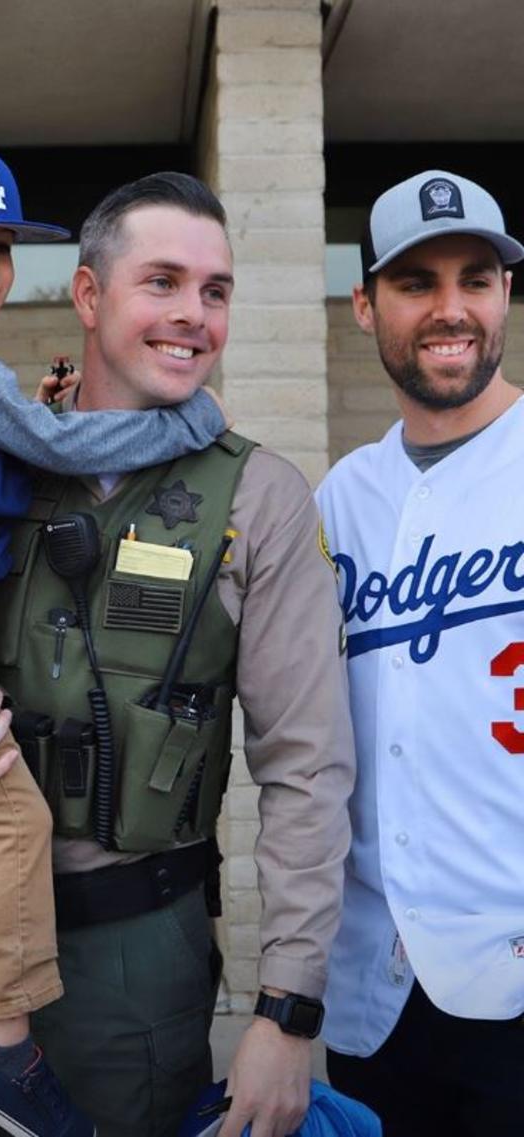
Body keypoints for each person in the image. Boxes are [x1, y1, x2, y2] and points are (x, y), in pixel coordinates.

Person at [0, 170, 355, 1137]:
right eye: (163, 282)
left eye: (216, 291)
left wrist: (287, 1011)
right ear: (89, 297)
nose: (194, 316)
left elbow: (307, 768)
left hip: (138, 966)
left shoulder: (259, 495)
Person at [316, 170, 524, 1136]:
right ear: (364, 305)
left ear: (505, 295)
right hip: (375, 992)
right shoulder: (337, 502)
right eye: (415, 282)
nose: (452, 310)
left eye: (475, 277)